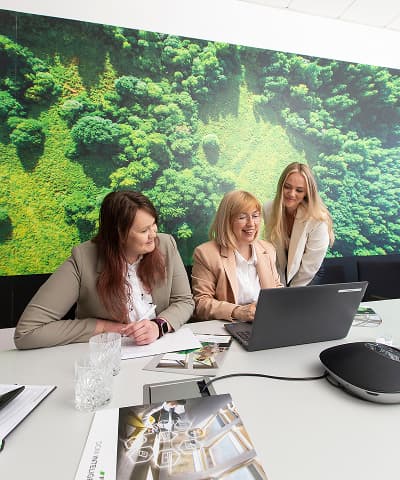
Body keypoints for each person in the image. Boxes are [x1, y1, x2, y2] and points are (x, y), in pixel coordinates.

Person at [14, 191, 194, 349]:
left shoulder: (166, 245)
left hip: (161, 351)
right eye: (144, 230)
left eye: (153, 224)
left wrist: (158, 326)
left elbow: (184, 301)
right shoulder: (83, 259)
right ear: (119, 234)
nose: (153, 234)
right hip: (107, 357)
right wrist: (108, 328)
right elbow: (27, 332)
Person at [192, 190, 282, 322]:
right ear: (227, 221)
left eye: (255, 216)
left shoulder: (268, 249)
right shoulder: (205, 253)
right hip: (228, 325)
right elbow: (201, 303)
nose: (251, 224)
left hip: (266, 323)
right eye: (242, 217)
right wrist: (237, 311)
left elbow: (276, 290)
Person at [263, 162, 334, 287]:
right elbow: (274, 254)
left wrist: (291, 292)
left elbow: (310, 266)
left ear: (307, 192)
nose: (291, 194)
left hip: (310, 270)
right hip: (283, 267)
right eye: (287, 187)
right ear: (281, 186)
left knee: (296, 298)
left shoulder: (318, 219)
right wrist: (279, 286)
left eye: (299, 190)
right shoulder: (268, 209)